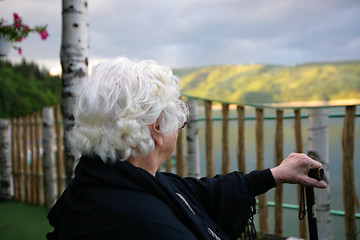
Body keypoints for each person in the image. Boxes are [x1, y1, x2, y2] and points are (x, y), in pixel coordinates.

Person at [46, 57, 327, 240]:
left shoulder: (106, 182)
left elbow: (200, 194)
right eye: (176, 119)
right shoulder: (151, 226)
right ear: (157, 127)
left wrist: (275, 174)